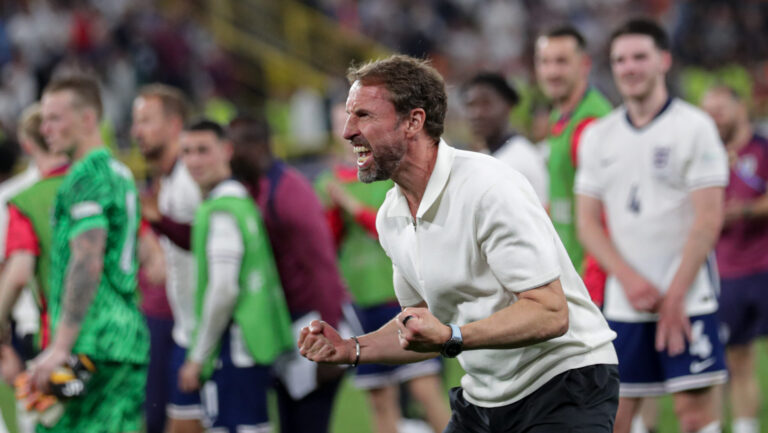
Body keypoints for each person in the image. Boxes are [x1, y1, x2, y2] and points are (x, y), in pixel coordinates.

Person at [299, 54, 619, 433]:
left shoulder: (488, 187)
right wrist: (350, 349)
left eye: (363, 115)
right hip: (485, 397)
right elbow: (420, 328)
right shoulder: (391, 215)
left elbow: (550, 312)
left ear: (414, 121)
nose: (347, 131)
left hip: (565, 384)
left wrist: (453, 336)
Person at [575, 19, 729, 433]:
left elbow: (709, 217)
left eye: (640, 57)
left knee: (694, 418)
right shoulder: (598, 136)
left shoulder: (694, 127)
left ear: (664, 60)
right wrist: (628, 280)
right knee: (616, 419)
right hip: (625, 301)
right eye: (620, 60)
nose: (629, 68)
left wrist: (675, 295)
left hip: (690, 297)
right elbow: (587, 223)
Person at [314, 101, 451, 433]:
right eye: (340, 122)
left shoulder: (386, 174)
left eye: (356, 119)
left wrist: (348, 203)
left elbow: (388, 228)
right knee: (379, 398)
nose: (349, 130)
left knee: (424, 389)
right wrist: (333, 212)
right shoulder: (327, 183)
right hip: (359, 297)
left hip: (399, 294)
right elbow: (328, 243)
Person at [28, 75, 149, 433]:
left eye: (55, 118)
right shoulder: (119, 172)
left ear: (87, 119)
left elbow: (87, 259)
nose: (45, 129)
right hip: (124, 341)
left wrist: (60, 346)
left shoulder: (86, 177)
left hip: (94, 344)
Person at [227, 115, 352, 433]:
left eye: (234, 146)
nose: (228, 154)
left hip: (312, 323)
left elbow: (323, 266)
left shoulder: (289, 192)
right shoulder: (255, 187)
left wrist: (329, 340)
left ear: (256, 146)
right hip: (287, 328)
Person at [176, 120, 293, 433]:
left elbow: (224, 289)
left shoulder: (222, 211)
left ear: (226, 150)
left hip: (233, 347)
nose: (194, 160)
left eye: (203, 150)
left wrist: (197, 356)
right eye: (187, 152)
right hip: (253, 343)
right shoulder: (241, 201)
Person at [132, 83, 204, 433]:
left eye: (146, 120)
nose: (136, 131)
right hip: (184, 328)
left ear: (174, 125)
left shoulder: (189, 181)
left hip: (198, 334)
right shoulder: (170, 179)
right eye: (136, 122)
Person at [701, 85, 768, 433]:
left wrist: (743, 210)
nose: (713, 119)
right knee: (737, 358)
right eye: (707, 113)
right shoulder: (707, 155)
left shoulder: (762, 148)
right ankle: (745, 427)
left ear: (739, 108)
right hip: (727, 272)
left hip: (764, 266)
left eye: (719, 110)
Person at [534, 25, 613, 305]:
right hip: (570, 274)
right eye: (545, 62)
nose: (552, 72)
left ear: (584, 64)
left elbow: (606, 215)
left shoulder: (591, 124)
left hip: (591, 282)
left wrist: (591, 289)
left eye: (562, 62)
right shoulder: (561, 115)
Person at [462, 72, 548, 205]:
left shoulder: (521, 159)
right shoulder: (485, 156)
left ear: (508, 106)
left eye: (486, 103)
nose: (477, 113)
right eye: (471, 105)